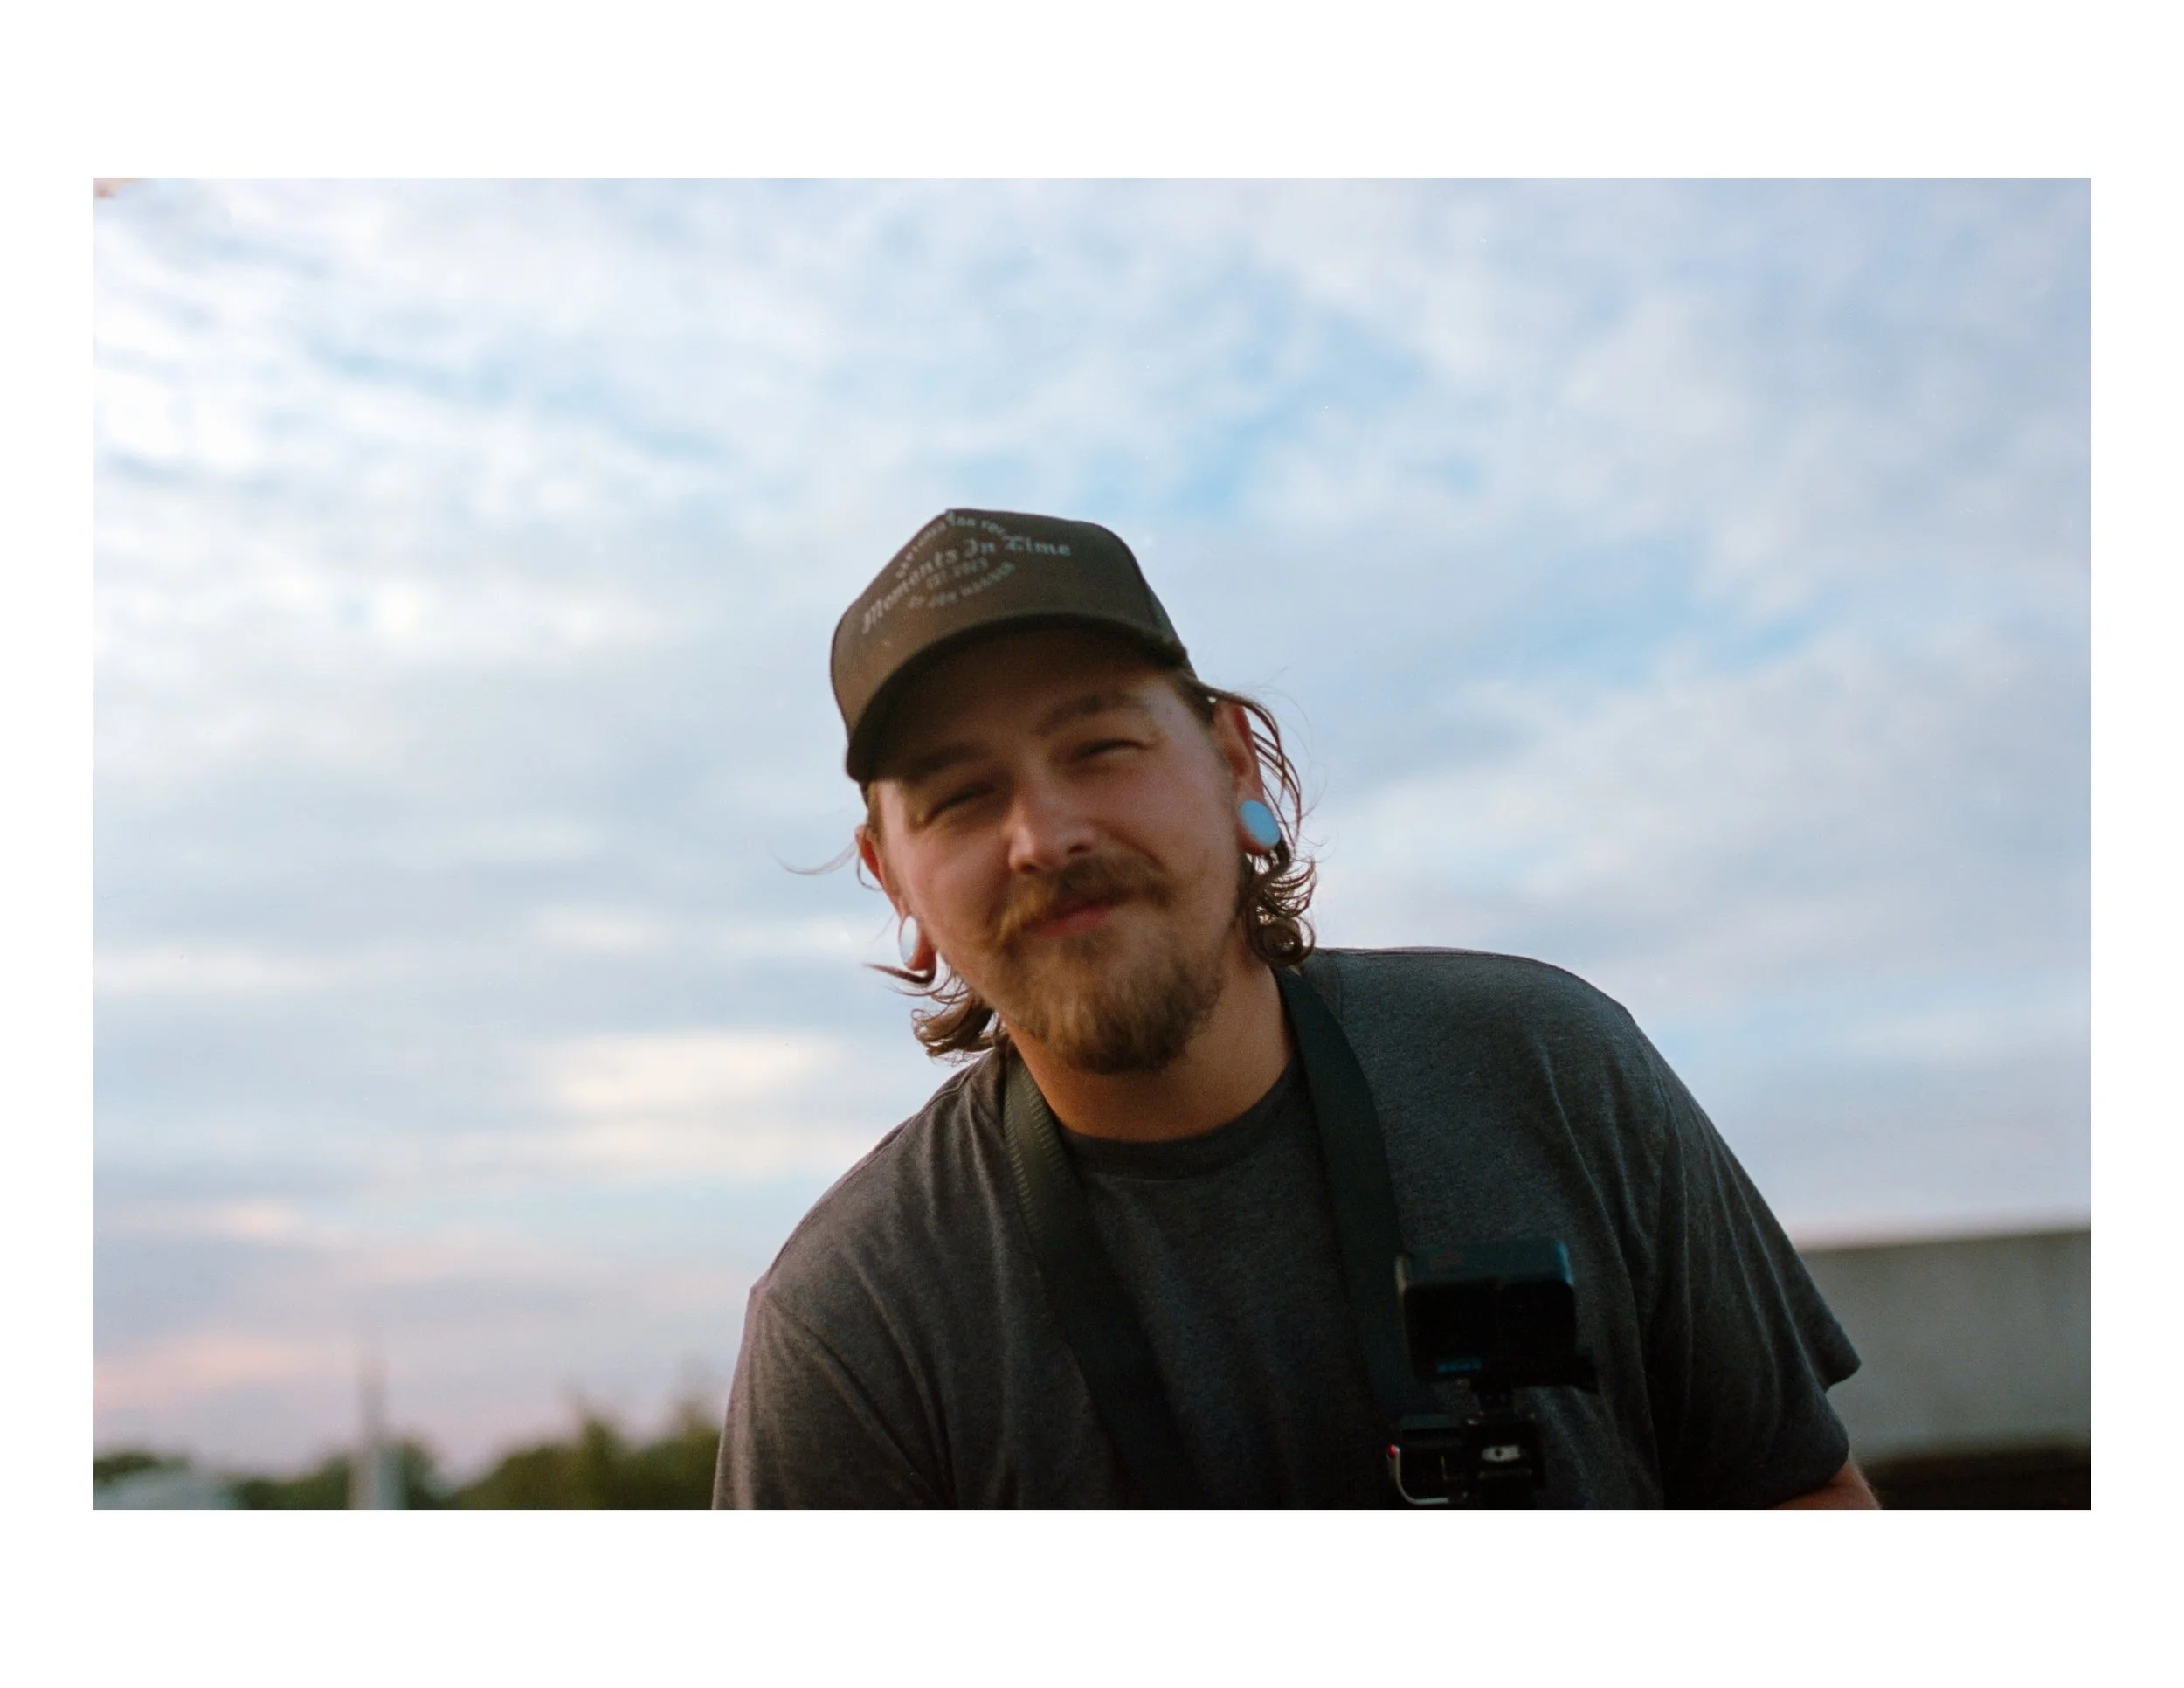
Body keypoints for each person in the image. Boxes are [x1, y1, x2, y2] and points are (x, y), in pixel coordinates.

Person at [715, 508, 1876, 1508]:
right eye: (962, 797)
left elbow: (1801, 1501)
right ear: (893, 880)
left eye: (1101, 746)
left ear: (1235, 761)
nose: (1046, 836)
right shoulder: (851, 1326)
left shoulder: (1551, 1067)